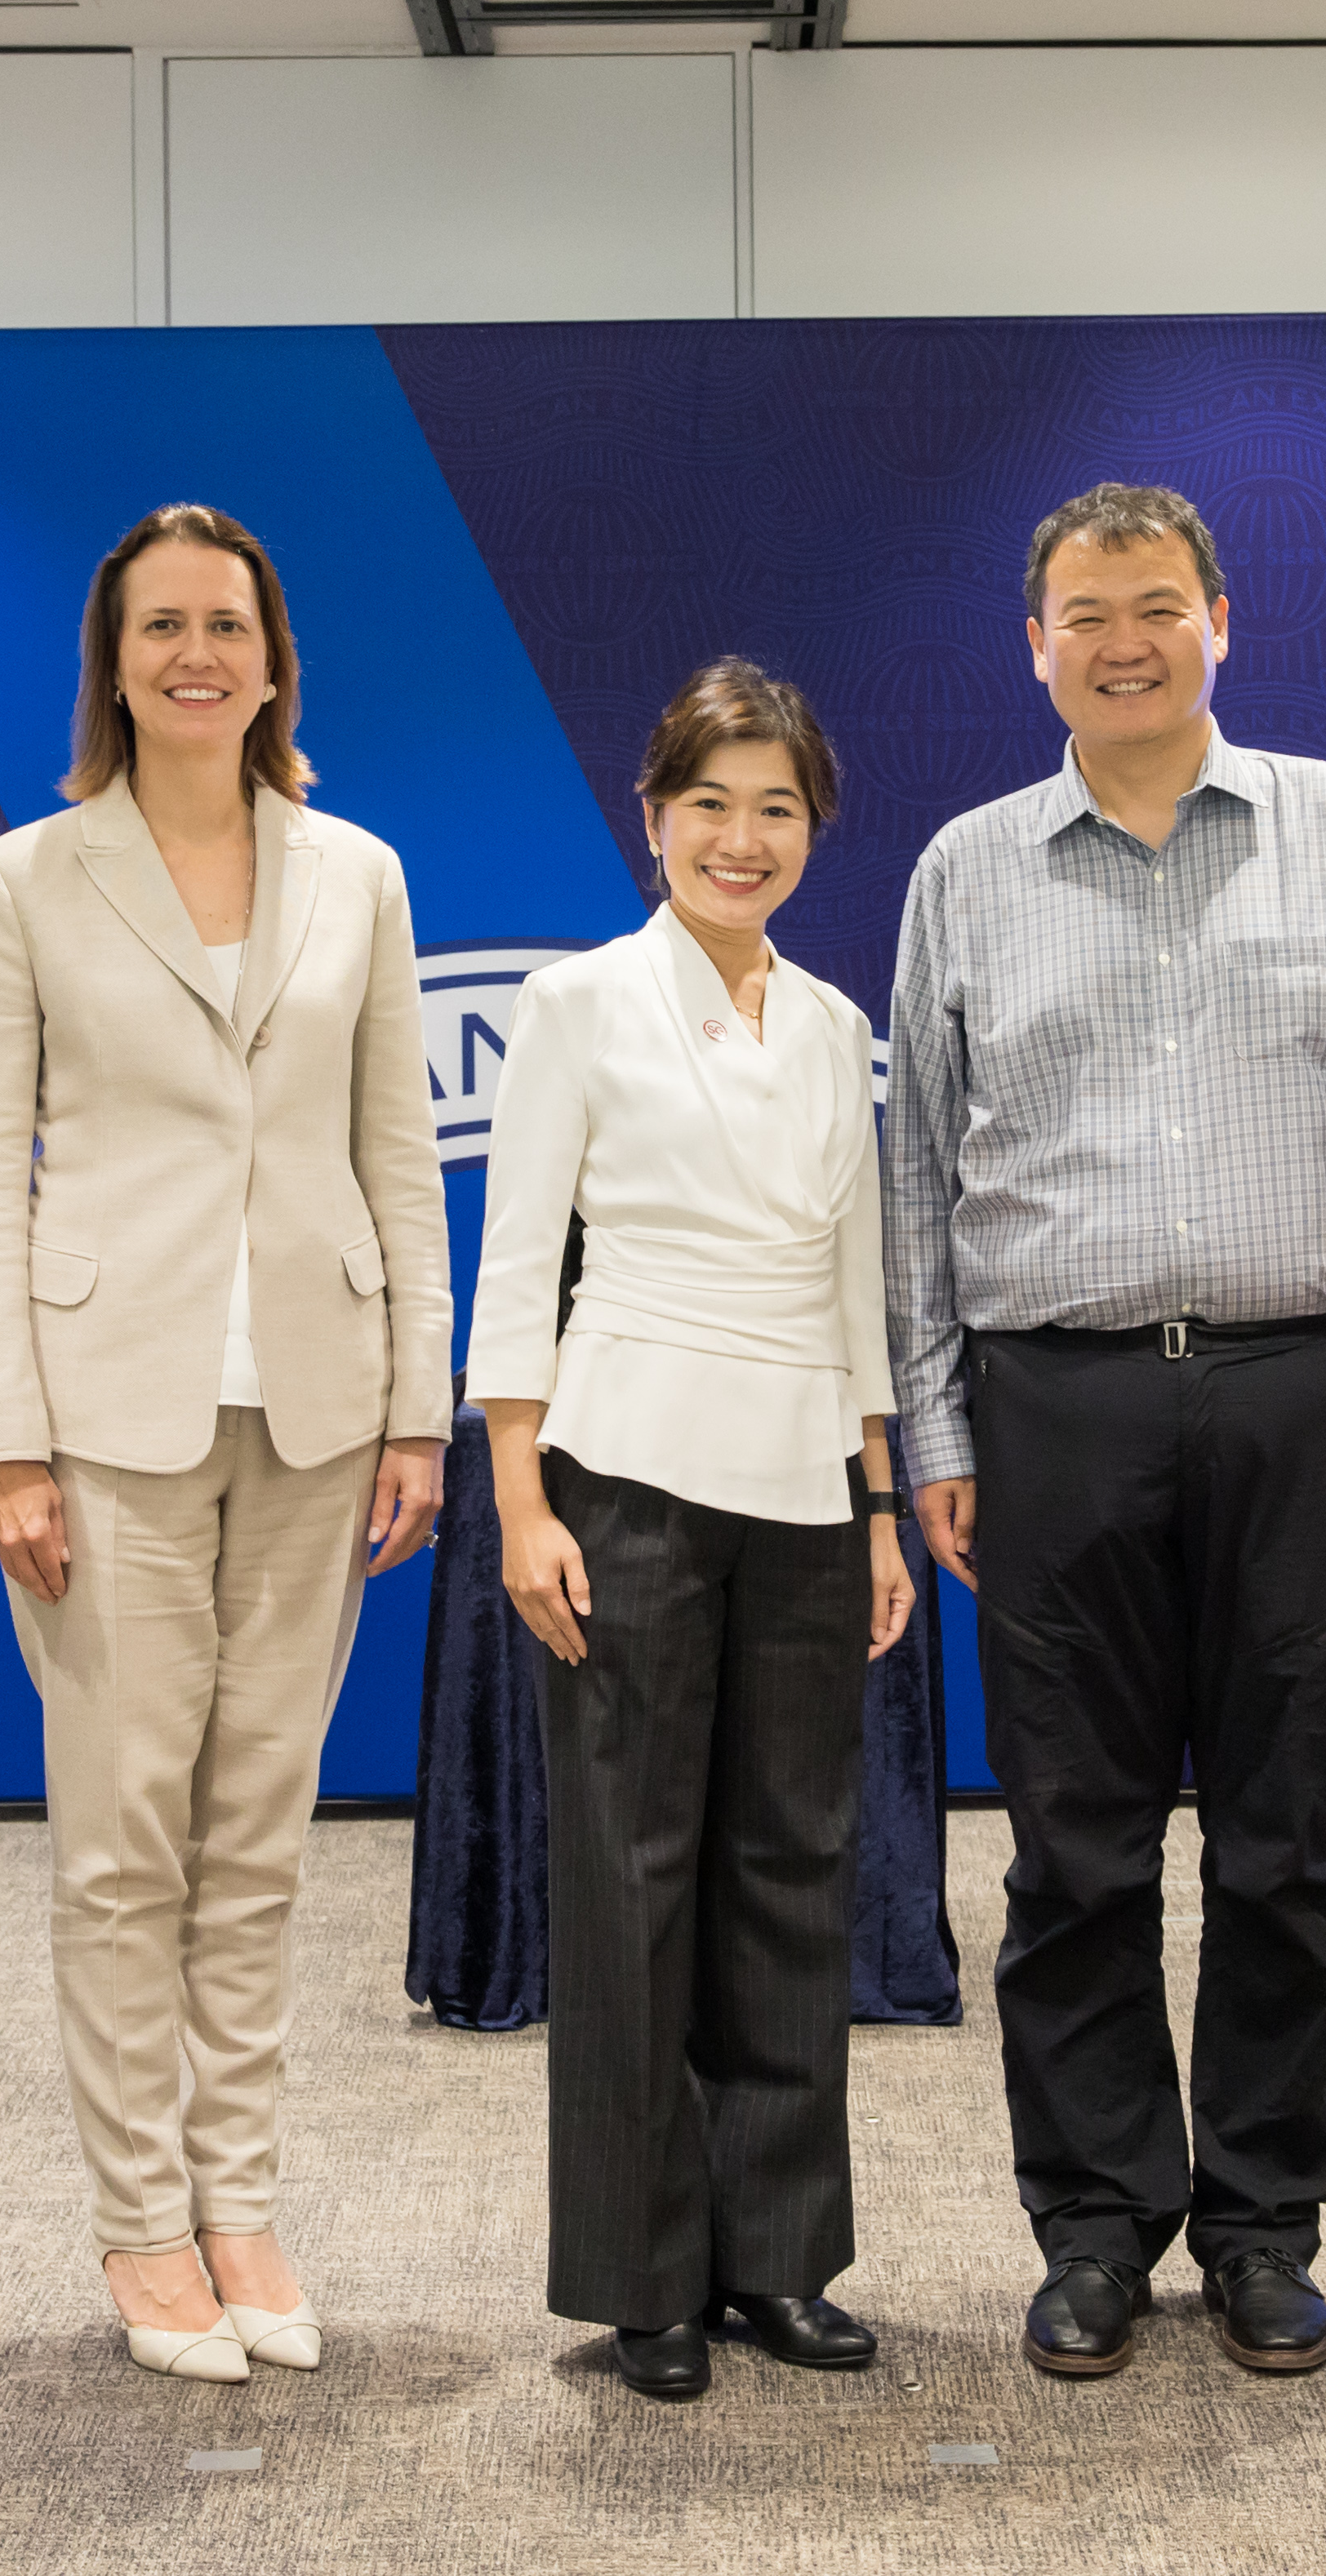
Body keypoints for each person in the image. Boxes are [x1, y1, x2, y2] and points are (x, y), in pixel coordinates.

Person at [886, 480, 1326, 2382]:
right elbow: (912, 1171)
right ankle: (1087, 2224)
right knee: (1071, 1845)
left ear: (1221, 619)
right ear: (1034, 641)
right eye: (1084, 610)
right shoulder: (966, 867)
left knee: (1284, 1841)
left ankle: (1259, 2222)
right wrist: (931, 1422)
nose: (1121, 638)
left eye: (1156, 603)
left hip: (1303, 1386)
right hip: (1050, 1400)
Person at [0, 502, 453, 2386]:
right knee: (121, 1840)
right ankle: (140, 2220)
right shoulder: (25, 881)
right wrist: (1, 1436)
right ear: (115, 658)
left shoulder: (360, 873)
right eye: (159, 627)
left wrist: (419, 1404)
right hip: (102, 1422)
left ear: (270, 651)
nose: (194, 656)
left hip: (318, 1414)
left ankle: (240, 2199)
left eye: (223, 623)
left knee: (260, 1833)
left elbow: (396, 1153)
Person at [471, 660, 921, 2405]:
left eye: (778, 809)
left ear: (811, 831)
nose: (743, 839)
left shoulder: (825, 1020)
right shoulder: (578, 1000)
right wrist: (520, 1498)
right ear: (652, 819)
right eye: (710, 805)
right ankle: (644, 2277)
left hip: (807, 1484)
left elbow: (852, 1281)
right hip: (626, 1475)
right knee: (632, 1882)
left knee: (790, 1874)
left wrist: (876, 1498)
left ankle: (778, 2257)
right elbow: (521, 1265)